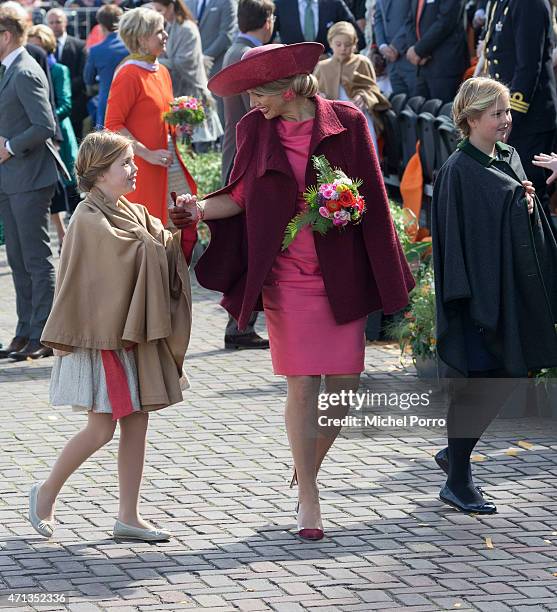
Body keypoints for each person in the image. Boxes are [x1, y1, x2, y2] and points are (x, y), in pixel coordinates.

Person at [169, 42, 414, 540]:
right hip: (286, 279)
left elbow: (374, 202)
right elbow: (238, 194)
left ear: (288, 88)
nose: (252, 100)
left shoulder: (346, 121)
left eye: (259, 91)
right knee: (303, 387)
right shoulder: (253, 128)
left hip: (339, 276)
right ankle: (310, 498)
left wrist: (383, 266)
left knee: (343, 392)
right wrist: (197, 209)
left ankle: (306, 467)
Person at [31, 130, 193, 541]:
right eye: (124, 163)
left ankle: (128, 517)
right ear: (99, 173)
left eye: (131, 161)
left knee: (137, 423)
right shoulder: (87, 219)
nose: (133, 169)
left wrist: (182, 228)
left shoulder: (131, 211)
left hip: (131, 334)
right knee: (102, 429)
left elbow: (162, 245)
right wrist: (159, 243)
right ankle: (44, 494)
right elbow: (126, 260)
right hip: (104, 336)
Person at [431, 77, 557, 515]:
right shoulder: (457, 171)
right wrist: (465, 301)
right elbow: (452, 240)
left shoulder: (509, 157)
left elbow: (519, 213)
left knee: (509, 375)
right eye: (496, 114)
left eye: (507, 112)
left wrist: (530, 200)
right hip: (476, 295)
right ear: (471, 119)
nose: (505, 122)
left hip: (511, 289)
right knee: (479, 382)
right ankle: (458, 478)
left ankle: (456, 453)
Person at [0, 2, 67, 362]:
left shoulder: (24, 70)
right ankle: (25, 331)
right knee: (18, 258)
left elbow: (45, 126)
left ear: (6, 36)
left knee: (36, 259)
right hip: (12, 179)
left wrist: (9, 146)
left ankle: (44, 334)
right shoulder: (9, 68)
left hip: (29, 177)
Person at [104, 5, 196, 255]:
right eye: (159, 31)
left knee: (173, 231)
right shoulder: (128, 73)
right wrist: (147, 154)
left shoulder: (161, 70)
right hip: (143, 168)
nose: (165, 35)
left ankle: (171, 286)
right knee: (148, 238)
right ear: (142, 39)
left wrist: (182, 119)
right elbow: (113, 125)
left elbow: (160, 116)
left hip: (168, 164)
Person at [219, 0, 274, 351]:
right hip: (247, 161)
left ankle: (240, 324)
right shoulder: (248, 56)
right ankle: (239, 325)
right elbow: (258, 114)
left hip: (237, 156)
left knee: (248, 247)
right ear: (267, 21)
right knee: (252, 249)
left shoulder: (234, 50)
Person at [481, 0, 557, 225]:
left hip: (530, 118)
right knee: (517, 194)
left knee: (532, 195)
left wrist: (509, 115)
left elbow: (528, 66)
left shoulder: (528, 3)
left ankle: (544, 257)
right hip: (511, 115)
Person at [28, 24, 79, 250]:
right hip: (37, 136)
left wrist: (44, 118)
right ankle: (63, 236)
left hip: (60, 137)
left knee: (70, 189)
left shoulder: (58, 70)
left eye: (36, 45)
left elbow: (66, 104)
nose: (32, 50)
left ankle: (78, 238)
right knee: (52, 192)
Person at [153, 0, 223, 150]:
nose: (158, 14)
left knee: (200, 148)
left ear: (171, 6)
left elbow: (185, 62)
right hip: (180, 93)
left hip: (194, 92)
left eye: (160, 10)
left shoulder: (187, 28)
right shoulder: (171, 26)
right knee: (185, 148)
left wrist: (157, 62)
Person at [314, 20, 390, 155]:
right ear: (330, 43)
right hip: (332, 118)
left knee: (364, 151)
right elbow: (313, 93)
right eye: (338, 44)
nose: (343, 48)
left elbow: (373, 89)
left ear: (355, 44)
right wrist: (320, 96)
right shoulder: (323, 66)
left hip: (360, 114)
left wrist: (364, 96)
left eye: (348, 44)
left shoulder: (362, 62)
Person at [404, 0, 469, 103]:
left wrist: (419, 50)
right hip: (421, 66)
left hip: (444, 66)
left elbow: (446, 21)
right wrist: (414, 50)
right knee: (422, 115)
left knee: (445, 115)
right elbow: (410, 20)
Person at [184, 0, 237, 125]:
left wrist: (204, 57)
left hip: (216, 69)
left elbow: (226, 35)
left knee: (220, 116)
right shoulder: (187, 2)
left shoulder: (227, 2)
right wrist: (194, 59)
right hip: (191, 71)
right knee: (194, 117)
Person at [83, 4, 128, 129]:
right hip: (132, 101)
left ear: (101, 25)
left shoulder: (95, 50)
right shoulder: (133, 46)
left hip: (108, 103)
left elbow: (88, 80)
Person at [46, 8, 88, 139]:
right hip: (50, 104)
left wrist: (63, 89)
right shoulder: (42, 47)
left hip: (75, 104)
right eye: (51, 22)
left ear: (65, 22)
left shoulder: (80, 45)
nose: (54, 25)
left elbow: (83, 76)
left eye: (58, 21)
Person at [273, 0, 365, 51]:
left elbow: (359, 40)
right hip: (292, 76)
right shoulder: (280, 5)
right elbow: (265, 41)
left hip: (329, 77)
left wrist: (333, 55)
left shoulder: (335, 4)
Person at [373, 0, 417, 96]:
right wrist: (382, 46)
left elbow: (414, 16)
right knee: (400, 105)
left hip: (410, 58)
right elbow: (378, 18)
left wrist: (396, 46)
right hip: (391, 61)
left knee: (419, 104)